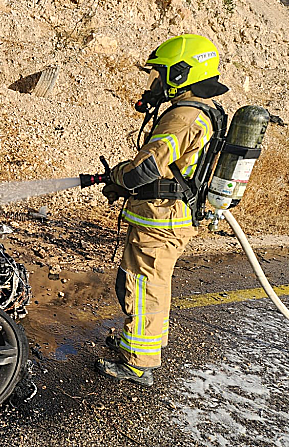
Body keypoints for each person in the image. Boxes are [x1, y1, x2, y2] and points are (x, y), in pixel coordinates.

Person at [96, 34, 229, 386]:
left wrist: (117, 176)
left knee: (145, 286)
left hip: (161, 218)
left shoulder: (184, 116)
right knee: (142, 283)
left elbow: (147, 168)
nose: (155, 82)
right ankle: (135, 342)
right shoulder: (204, 110)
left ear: (182, 73)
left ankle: (138, 363)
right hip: (164, 215)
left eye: (161, 74)